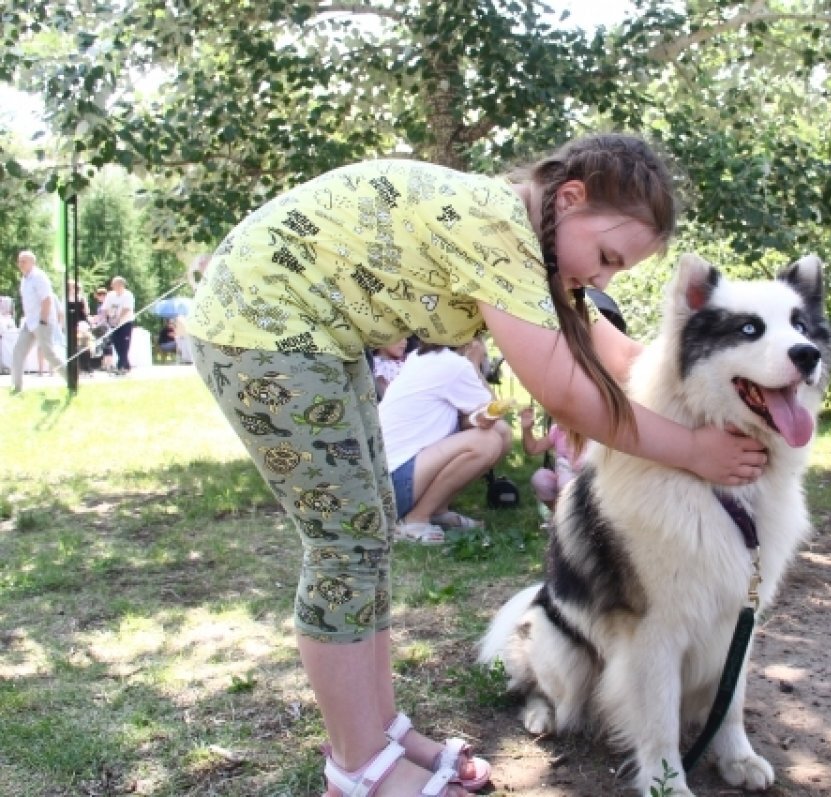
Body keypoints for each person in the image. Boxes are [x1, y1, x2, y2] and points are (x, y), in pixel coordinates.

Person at [186, 133, 766, 797]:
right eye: (606, 257)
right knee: (344, 542)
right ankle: (357, 767)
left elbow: (625, 359)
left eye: (618, 272)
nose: (603, 280)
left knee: (369, 527)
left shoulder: (532, 242)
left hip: (313, 332)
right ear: (570, 198)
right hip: (259, 322)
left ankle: (379, 734)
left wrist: (722, 386)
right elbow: (565, 390)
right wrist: (692, 449)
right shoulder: (500, 230)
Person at [379, 338, 506, 543]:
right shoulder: (454, 365)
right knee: (488, 442)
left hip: (385, 483)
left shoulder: (421, 356)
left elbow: (481, 417)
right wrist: (474, 365)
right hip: (395, 486)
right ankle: (415, 520)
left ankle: (437, 510)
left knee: (500, 433)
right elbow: (494, 409)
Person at [10, 250, 65, 394]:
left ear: (32, 262)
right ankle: (16, 387)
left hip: (42, 320)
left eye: (24, 261)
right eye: (19, 261)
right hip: (30, 322)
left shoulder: (39, 277)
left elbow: (47, 299)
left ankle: (71, 379)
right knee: (18, 351)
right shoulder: (24, 279)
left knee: (49, 354)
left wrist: (43, 320)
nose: (20, 264)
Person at [519, 405, 585, 516]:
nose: (554, 418)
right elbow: (532, 449)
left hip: (586, 485)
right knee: (540, 478)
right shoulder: (558, 432)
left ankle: (579, 519)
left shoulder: (590, 435)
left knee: (566, 481)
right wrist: (526, 429)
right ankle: (559, 517)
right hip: (563, 483)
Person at [99, 276, 136, 374]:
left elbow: (127, 309)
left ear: (121, 285)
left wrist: (118, 319)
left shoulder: (128, 295)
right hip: (113, 323)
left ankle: (121, 366)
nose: (112, 286)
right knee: (116, 343)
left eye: (114, 284)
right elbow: (105, 308)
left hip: (125, 322)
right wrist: (108, 317)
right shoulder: (110, 295)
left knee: (124, 344)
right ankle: (126, 365)